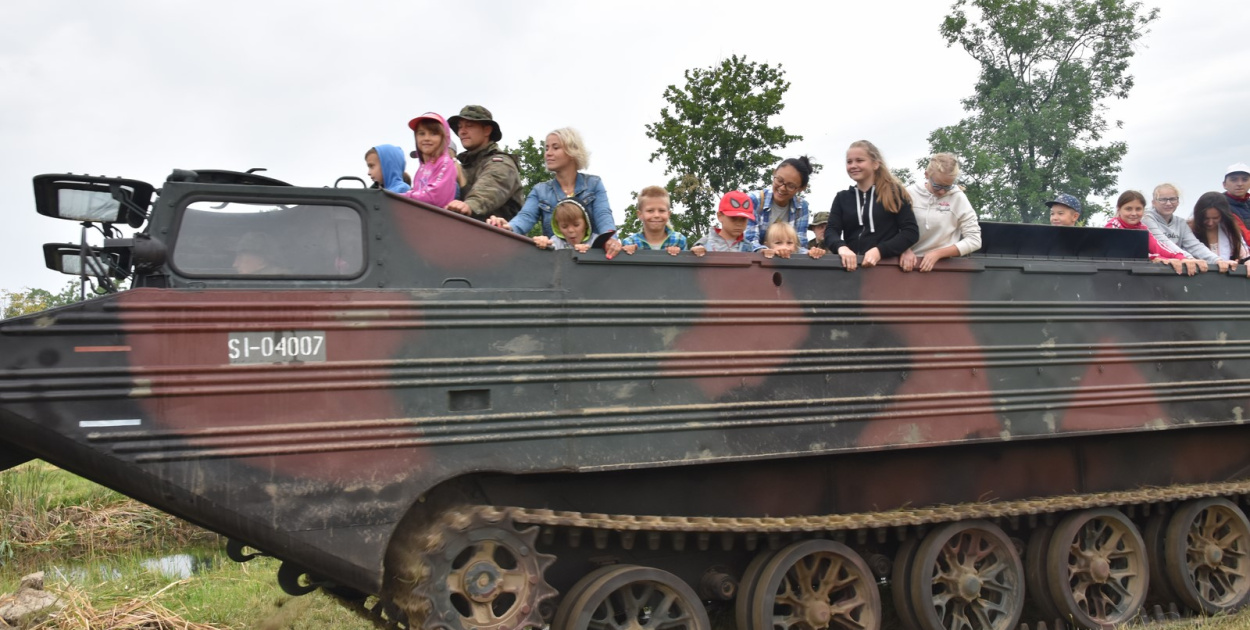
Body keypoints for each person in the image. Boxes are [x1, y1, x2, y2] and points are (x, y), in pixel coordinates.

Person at [488, 128, 621, 257]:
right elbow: (525, 217)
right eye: (546, 148)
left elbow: (603, 216)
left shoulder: (593, 183)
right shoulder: (540, 190)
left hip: (591, 259)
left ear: (571, 152)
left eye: (555, 148)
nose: (548, 153)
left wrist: (610, 240)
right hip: (557, 262)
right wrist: (508, 227)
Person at [824, 140, 918, 271]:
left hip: (888, 268)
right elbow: (831, 231)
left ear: (875, 164)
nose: (853, 165)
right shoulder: (842, 198)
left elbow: (910, 232)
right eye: (849, 162)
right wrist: (842, 248)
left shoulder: (895, 193)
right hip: (851, 269)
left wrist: (880, 251)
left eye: (859, 160)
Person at [899, 153, 981, 272]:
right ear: (927, 175)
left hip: (943, 268)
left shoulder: (958, 199)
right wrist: (904, 249)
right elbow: (892, 228)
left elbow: (974, 240)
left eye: (948, 186)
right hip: (906, 266)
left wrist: (937, 254)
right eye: (937, 186)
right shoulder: (909, 194)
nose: (942, 192)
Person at [444, 105, 523, 221]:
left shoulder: (501, 163)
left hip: (498, 236)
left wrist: (469, 205)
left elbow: (487, 191)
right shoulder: (462, 165)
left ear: (487, 130)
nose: (462, 132)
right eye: (460, 127)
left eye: (469, 126)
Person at [1104, 190, 1199, 275]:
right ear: (1119, 209)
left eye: (1138, 209)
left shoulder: (1142, 228)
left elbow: (1158, 247)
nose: (1134, 213)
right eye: (1128, 209)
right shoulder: (1112, 227)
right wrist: (1159, 259)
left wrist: (1182, 258)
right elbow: (1129, 253)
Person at [1144, 184, 1233, 272]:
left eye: (1172, 199)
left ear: (1178, 201)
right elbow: (1163, 242)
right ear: (1153, 202)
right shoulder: (1147, 218)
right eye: (1163, 199)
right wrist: (1188, 258)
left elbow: (1194, 245)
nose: (1168, 203)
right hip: (1152, 268)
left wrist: (1217, 260)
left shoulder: (1181, 222)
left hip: (1174, 269)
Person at [744, 157, 814, 253]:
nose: (782, 188)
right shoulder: (754, 200)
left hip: (787, 263)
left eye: (790, 186)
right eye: (779, 180)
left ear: (801, 188)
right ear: (774, 173)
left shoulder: (801, 207)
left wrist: (810, 253)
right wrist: (766, 252)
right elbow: (749, 240)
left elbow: (800, 244)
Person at [402, 113, 457, 207]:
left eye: (433, 133)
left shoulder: (445, 163)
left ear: (444, 137)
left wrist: (401, 197)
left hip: (438, 219)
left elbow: (433, 196)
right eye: (421, 133)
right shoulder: (422, 167)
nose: (426, 138)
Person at [620, 186, 686, 256]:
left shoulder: (679, 240)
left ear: (668, 214)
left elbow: (687, 264)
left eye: (661, 210)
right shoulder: (630, 242)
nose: (656, 215)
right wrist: (627, 251)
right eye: (650, 211)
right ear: (640, 214)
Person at [1191, 192, 1250, 264]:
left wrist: (1247, 262)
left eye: (1215, 218)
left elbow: (1245, 255)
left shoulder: (1230, 229)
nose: (1210, 223)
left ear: (1223, 215)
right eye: (1206, 218)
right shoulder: (1188, 230)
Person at [532, 199, 600, 252]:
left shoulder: (596, 241)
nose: (570, 230)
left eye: (576, 225)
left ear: (586, 224)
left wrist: (590, 252)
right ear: (558, 227)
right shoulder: (556, 242)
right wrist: (542, 244)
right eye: (564, 227)